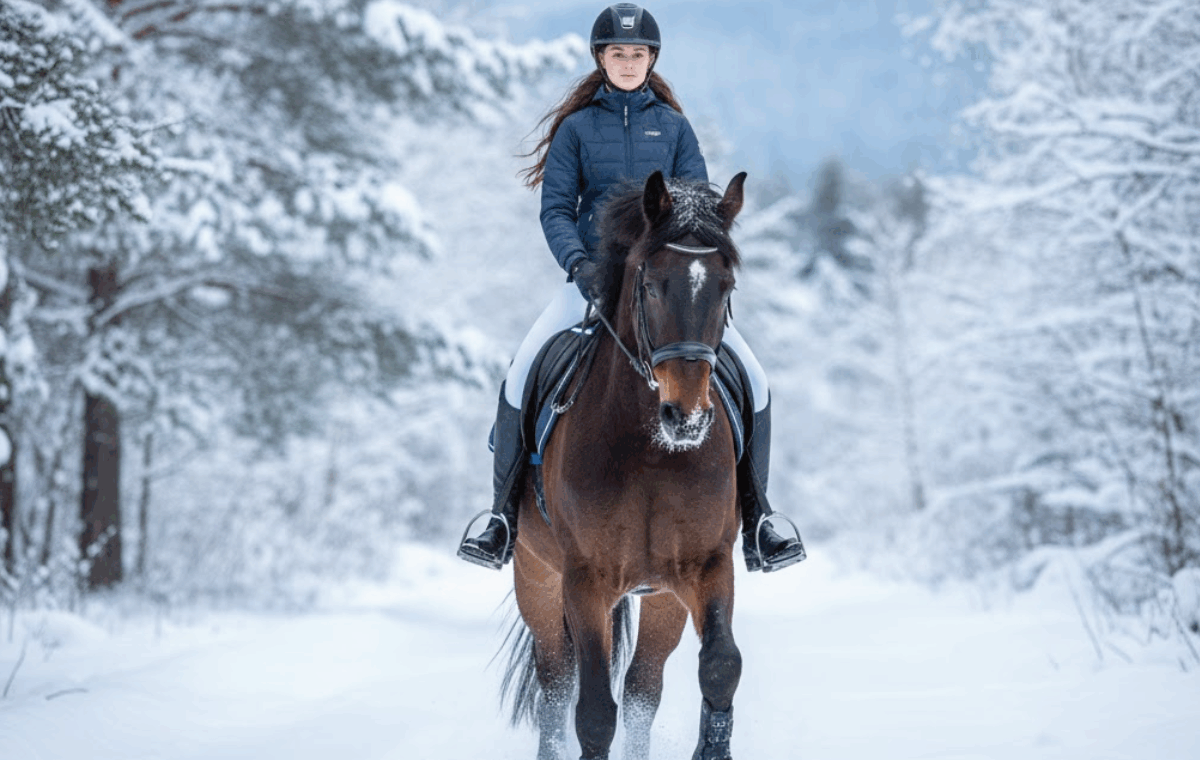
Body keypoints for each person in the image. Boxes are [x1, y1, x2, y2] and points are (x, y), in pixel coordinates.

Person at [457, 3, 805, 573]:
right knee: (522, 372)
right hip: (592, 281)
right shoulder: (576, 129)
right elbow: (555, 209)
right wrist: (579, 264)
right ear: (601, 59)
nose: (626, 62)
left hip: (667, 289)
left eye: (636, 54)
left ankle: (759, 520)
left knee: (755, 380)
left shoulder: (674, 127)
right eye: (617, 53)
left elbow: (695, 211)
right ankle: (500, 519)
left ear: (651, 60)